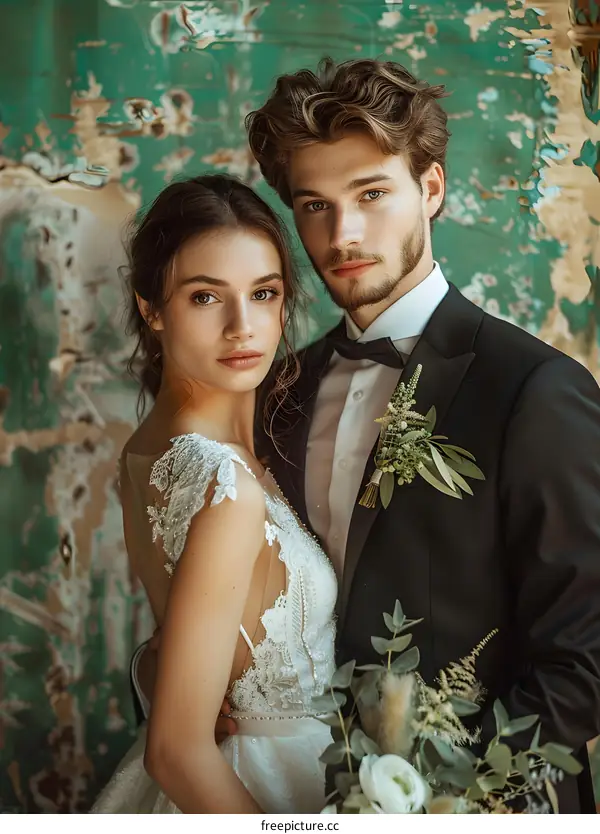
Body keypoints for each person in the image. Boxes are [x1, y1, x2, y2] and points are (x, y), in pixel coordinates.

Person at [133, 58, 600, 814]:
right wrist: (162, 680)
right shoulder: (277, 390)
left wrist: (442, 806)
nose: (342, 233)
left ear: (433, 189)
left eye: (373, 195)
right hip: (292, 793)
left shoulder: (535, 392)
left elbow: (585, 663)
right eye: (314, 206)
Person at [91, 174, 337, 814]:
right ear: (152, 308)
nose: (243, 327)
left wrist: (153, 667)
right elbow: (175, 750)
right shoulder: (225, 484)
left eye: (264, 293)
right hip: (248, 786)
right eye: (205, 298)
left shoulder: (148, 449)